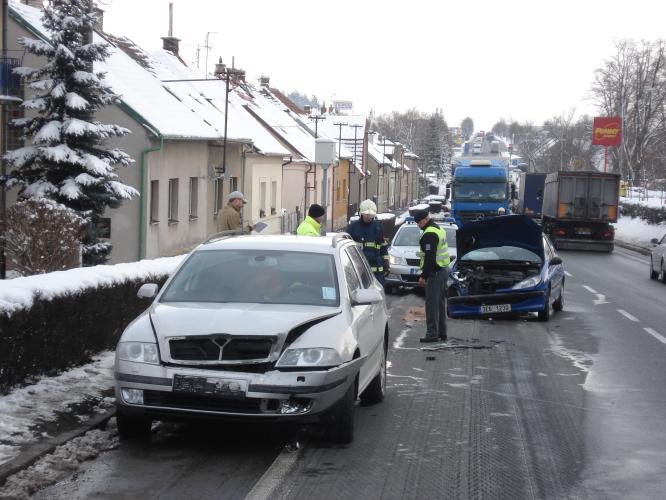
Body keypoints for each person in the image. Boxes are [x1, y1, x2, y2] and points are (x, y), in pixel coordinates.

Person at [414, 209, 450, 343]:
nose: (418, 225)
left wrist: (423, 276)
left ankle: (432, 334)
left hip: (434, 273)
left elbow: (430, 258)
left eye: (418, 222)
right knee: (440, 303)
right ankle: (442, 332)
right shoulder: (438, 229)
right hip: (443, 270)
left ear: (424, 220)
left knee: (432, 304)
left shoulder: (429, 234)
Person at [346, 199, 389, 285]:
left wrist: (386, 264)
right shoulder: (352, 228)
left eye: (371, 215)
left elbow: (383, 248)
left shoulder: (378, 227)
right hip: (359, 272)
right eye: (367, 215)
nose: (369, 217)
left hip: (377, 274)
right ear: (361, 213)